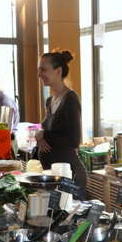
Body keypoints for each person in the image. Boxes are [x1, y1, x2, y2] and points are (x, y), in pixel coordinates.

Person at [35, 49, 88, 199]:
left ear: (58, 71)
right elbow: (51, 130)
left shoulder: (70, 100)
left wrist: (44, 134)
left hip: (71, 175)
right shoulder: (50, 100)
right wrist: (42, 137)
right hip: (54, 175)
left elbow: (73, 141)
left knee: (69, 219)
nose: (39, 74)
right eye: (39, 69)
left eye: (43, 69)